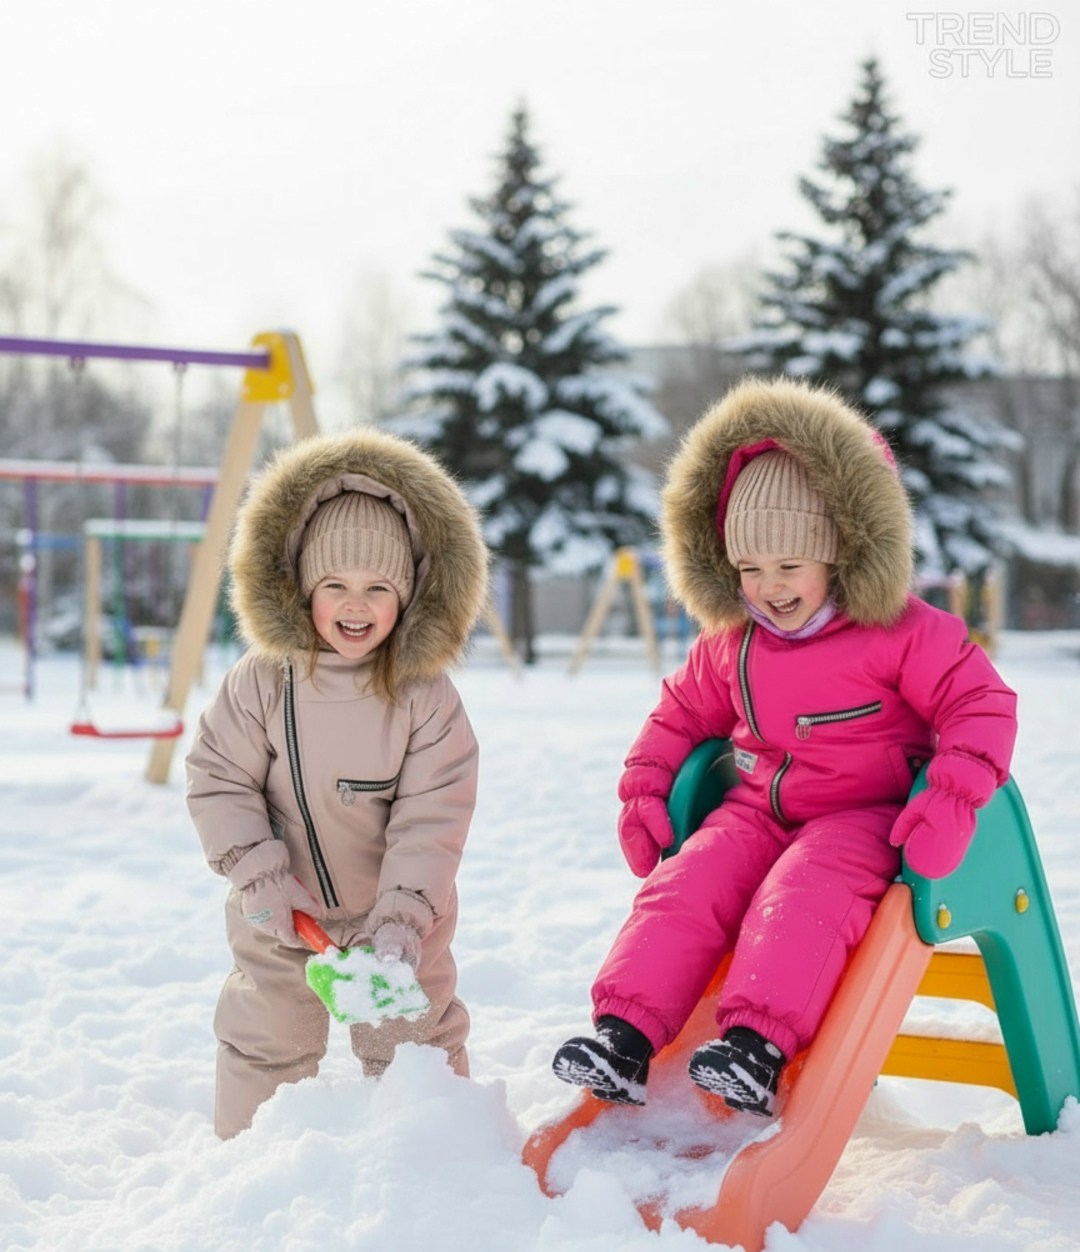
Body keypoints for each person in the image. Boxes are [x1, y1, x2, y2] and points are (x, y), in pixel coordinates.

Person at [553, 377, 1018, 1116]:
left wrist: (950, 797)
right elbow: (678, 715)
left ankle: (755, 1047)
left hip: (861, 818)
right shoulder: (733, 643)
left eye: (788, 567)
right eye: (749, 570)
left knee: (804, 893)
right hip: (755, 810)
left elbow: (980, 704)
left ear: (837, 550)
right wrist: (644, 789)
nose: (768, 589)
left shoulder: (903, 631)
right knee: (687, 881)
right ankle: (625, 1035)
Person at [187, 429, 488, 1138]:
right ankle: (246, 1156)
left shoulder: (425, 698)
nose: (357, 606)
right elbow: (218, 777)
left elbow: (432, 815)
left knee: (417, 1035)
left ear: (408, 594)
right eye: (337, 587)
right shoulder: (261, 681)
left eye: (378, 588)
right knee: (266, 1032)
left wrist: (404, 915)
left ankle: (438, 1151)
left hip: (394, 919)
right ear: (302, 590)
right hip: (281, 910)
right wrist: (256, 874)